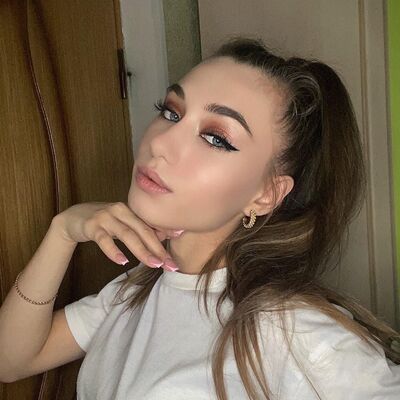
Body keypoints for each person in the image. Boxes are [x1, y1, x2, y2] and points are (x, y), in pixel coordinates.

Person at [1, 36, 399, 399]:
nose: (160, 142)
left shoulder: (296, 332)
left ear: (265, 194)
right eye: (171, 112)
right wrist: (63, 231)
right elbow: (11, 360)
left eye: (216, 138)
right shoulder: (136, 289)